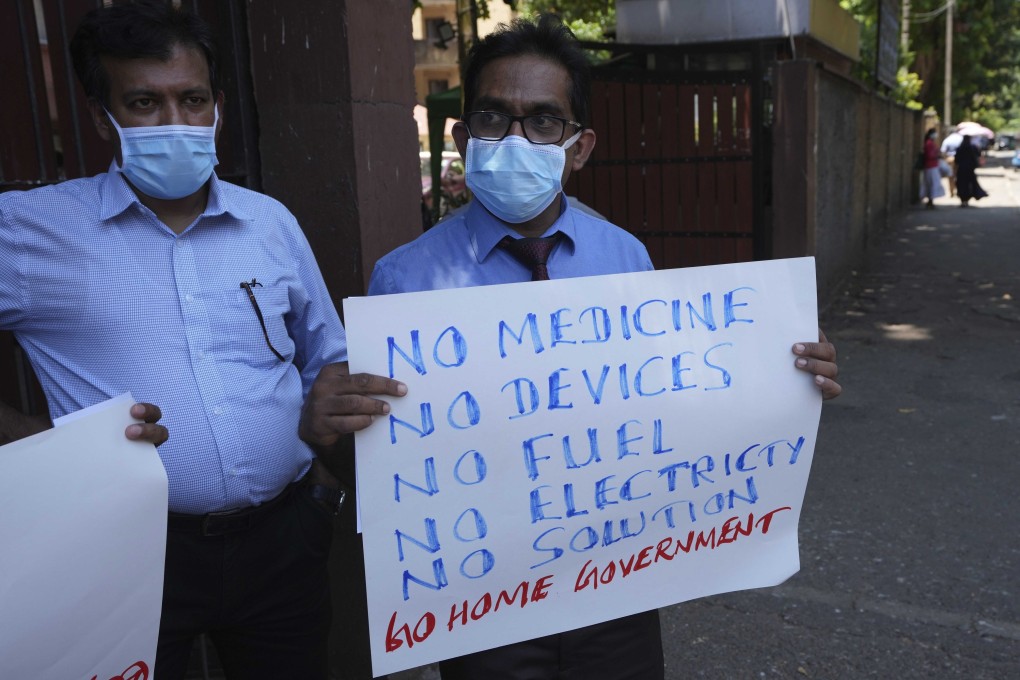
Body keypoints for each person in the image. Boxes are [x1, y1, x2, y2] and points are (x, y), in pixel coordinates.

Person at [303, 14, 841, 680]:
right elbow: (389, 468)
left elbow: (675, 407)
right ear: (465, 138)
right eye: (495, 119)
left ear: (579, 148)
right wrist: (329, 434)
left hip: (615, 591)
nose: (517, 138)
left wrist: (783, 375)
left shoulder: (627, 257)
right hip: (483, 605)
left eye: (544, 121)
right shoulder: (403, 279)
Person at [0, 3, 404, 679]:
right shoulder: (29, 233)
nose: (175, 124)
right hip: (121, 553)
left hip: (284, 543)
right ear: (103, 118)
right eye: (143, 103)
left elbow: (324, 357)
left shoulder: (269, 223)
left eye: (191, 100)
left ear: (217, 106)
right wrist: (32, 440)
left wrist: (324, 451)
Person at [954, 134, 988, 207]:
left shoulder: (959, 148)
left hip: (961, 170)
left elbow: (956, 160)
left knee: (961, 185)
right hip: (970, 169)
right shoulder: (972, 147)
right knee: (970, 184)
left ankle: (963, 200)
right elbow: (978, 155)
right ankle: (967, 199)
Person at [919, 128, 945, 209]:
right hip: (931, 166)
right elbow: (930, 155)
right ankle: (930, 201)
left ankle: (930, 201)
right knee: (932, 184)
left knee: (931, 184)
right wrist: (937, 155)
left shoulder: (930, 143)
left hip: (931, 166)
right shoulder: (929, 143)